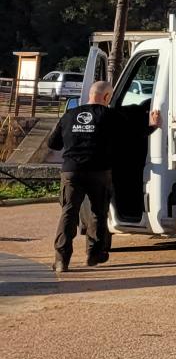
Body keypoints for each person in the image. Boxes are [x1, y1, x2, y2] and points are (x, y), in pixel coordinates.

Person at [47, 80, 134, 275]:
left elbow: (53, 144)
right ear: (107, 97)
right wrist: (153, 125)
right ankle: (94, 254)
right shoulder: (111, 116)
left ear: (90, 95)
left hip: (71, 171)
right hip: (99, 172)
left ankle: (61, 260)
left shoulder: (69, 115)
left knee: (68, 213)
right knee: (98, 212)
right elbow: (130, 137)